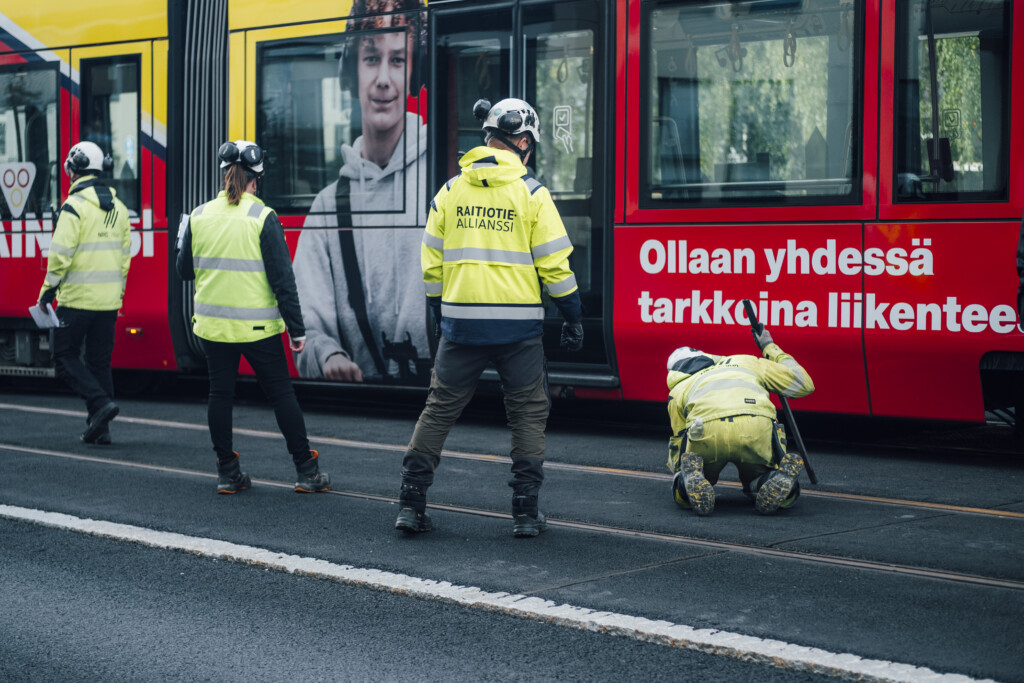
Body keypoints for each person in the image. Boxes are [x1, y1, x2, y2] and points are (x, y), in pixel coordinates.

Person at [393, 97, 585, 538]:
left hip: (461, 325)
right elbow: (555, 267)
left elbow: (431, 263)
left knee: (438, 411)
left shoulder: (449, 191)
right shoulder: (532, 194)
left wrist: (440, 309)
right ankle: (525, 512)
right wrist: (572, 314)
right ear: (523, 143)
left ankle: (411, 504)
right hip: (519, 330)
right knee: (527, 414)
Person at [176, 140, 330, 495]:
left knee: (220, 394)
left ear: (223, 175)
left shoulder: (198, 215)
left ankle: (227, 473)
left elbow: (183, 271)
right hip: (258, 328)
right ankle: (306, 471)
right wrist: (296, 330)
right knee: (281, 395)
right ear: (256, 180)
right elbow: (283, 280)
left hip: (213, 328)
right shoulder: (263, 217)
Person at [292, 0, 430, 384]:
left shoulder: (449, 185)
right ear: (351, 72)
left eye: (397, 60)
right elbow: (305, 322)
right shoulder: (326, 207)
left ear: (414, 72)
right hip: (362, 403)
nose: (383, 78)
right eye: (371, 59)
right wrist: (326, 353)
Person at [665, 326, 815, 516]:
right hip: (755, 425)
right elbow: (803, 385)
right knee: (760, 476)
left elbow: (679, 438)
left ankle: (689, 482)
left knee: (692, 478)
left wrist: (679, 470)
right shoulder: (745, 361)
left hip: (706, 429)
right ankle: (774, 481)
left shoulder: (679, 388)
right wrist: (769, 346)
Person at [38, 141, 130, 445]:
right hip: (108, 302)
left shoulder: (73, 206)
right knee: (99, 362)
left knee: (63, 356)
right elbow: (125, 259)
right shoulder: (119, 208)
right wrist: (118, 295)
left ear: (73, 169)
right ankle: (100, 428)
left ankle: (100, 404)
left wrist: (47, 294)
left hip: (76, 299)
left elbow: (60, 256)